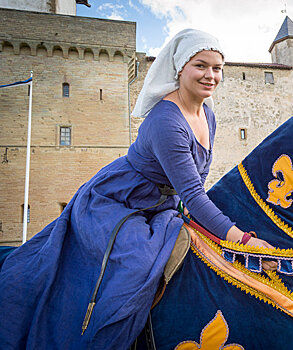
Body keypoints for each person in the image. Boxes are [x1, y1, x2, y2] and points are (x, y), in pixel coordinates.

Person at [0, 28, 275, 349]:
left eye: (217, 68)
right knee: (135, 267)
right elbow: (194, 196)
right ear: (180, 68)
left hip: (160, 208)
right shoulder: (165, 122)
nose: (210, 75)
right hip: (117, 202)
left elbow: (194, 188)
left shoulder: (208, 115)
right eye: (201, 65)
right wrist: (244, 241)